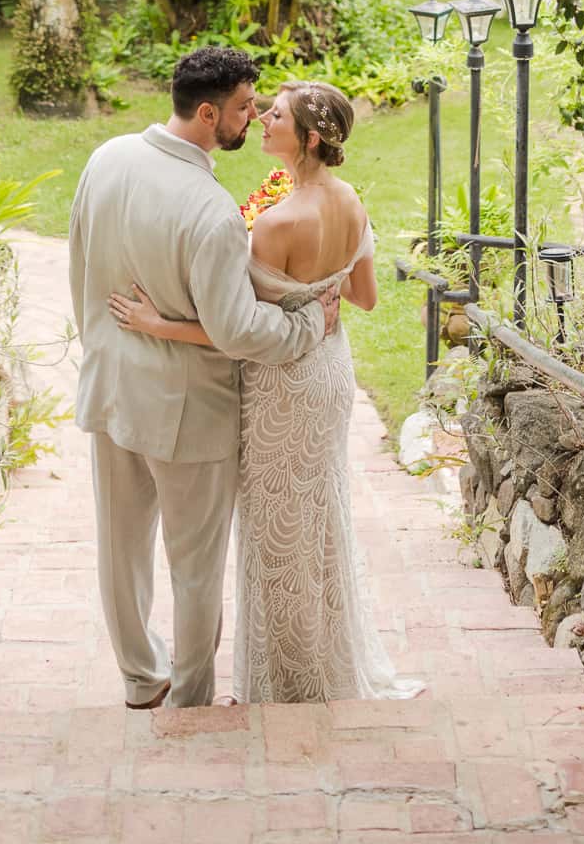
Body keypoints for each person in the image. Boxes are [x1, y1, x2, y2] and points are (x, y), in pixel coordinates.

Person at [109, 79, 421, 703]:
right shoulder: (350, 200)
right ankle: (328, 659)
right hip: (331, 375)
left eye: (274, 116)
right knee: (320, 520)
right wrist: (317, 297)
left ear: (306, 138)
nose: (260, 120)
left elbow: (237, 332)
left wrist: (156, 324)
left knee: (276, 529)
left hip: (282, 386)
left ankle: (289, 680)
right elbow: (363, 297)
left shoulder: (277, 222)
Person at [67, 45, 338, 711]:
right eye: (247, 107)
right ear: (210, 112)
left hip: (110, 391)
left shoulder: (106, 159)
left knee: (121, 550)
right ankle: (189, 698)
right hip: (188, 413)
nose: (256, 117)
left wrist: (103, 347)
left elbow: (78, 270)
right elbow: (239, 330)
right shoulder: (210, 209)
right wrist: (309, 328)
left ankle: (139, 679)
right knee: (195, 568)